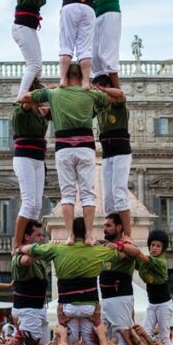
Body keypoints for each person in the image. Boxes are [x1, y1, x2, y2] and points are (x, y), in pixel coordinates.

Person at [20, 64, 122, 243]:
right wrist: (96, 87)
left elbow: (24, 97)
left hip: (64, 148)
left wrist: (51, 90)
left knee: (67, 194)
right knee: (87, 194)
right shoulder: (90, 93)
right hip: (85, 147)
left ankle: (70, 236)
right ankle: (89, 235)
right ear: (82, 75)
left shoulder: (54, 94)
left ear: (64, 76)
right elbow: (119, 96)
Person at [18, 217, 126, 345]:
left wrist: (19, 248)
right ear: (87, 232)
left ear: (71, 232)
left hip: (68, 307)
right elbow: (121, 254)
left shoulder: (58, 249)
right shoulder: (97, 251)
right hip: (89, 307)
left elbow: (32, 249)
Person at [30, 0, 103, 88]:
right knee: (85, 48)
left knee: (66, 45)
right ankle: (86, 81)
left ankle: (63, 80)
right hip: (88, 6)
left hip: (69, 5)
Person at [13, 0, 61, 100]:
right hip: (22, 27)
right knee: (33, 65)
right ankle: (21, 97)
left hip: (29, 28)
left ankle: (32, 92)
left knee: (38, 68)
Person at [92, 74, 131, 236]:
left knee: (119, 193)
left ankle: (128, 234)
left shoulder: (118, 106)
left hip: (121, 152)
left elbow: (121, 95)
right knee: (108, 198)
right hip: (107, 154)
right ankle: (112, 232)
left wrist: (103, 89)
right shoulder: (100, 108)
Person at [11, 87, 50, 250]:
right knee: (27, 202)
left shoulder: (40, 112)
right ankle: (17, 243)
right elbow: (25, 101)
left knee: (36, 205)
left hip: (38, 159)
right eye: (40, 96)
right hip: (24, 157)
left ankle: (31, 238)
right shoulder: (22, 110)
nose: (43, 99)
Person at [84, 0, 128, 89]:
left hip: (110, 10)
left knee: (107, 53)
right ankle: (101, 87)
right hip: (94, 12)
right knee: (94, 56)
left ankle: (118, 93)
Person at [8, 221, 50, 345]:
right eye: (39, 235)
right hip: (28, 310)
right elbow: (26, 261)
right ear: (27, 237)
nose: (42, 239)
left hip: (38, 308)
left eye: (43, 235)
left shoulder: (40, 257)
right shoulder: (18, 257)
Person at [99, 213, 138, 345]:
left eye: (109, 225)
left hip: (120, 299)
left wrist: (119, 246)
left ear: (119, 227)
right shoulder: (105, 247)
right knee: (107, 342)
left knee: (123, 343)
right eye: (104, 225)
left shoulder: (126, 245)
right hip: (105, 300)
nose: (105, 229)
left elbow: (135, 252)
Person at [139, 230, 173, 345]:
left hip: (164, 304)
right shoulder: (146, 261)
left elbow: (144, 259)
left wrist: (133, 250)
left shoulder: (161, 262)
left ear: (163, 249)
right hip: (152, 304)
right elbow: (136, 262)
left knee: (164, 337)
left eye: (158, 246)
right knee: (143, 333)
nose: (154, 248)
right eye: (152, 245)